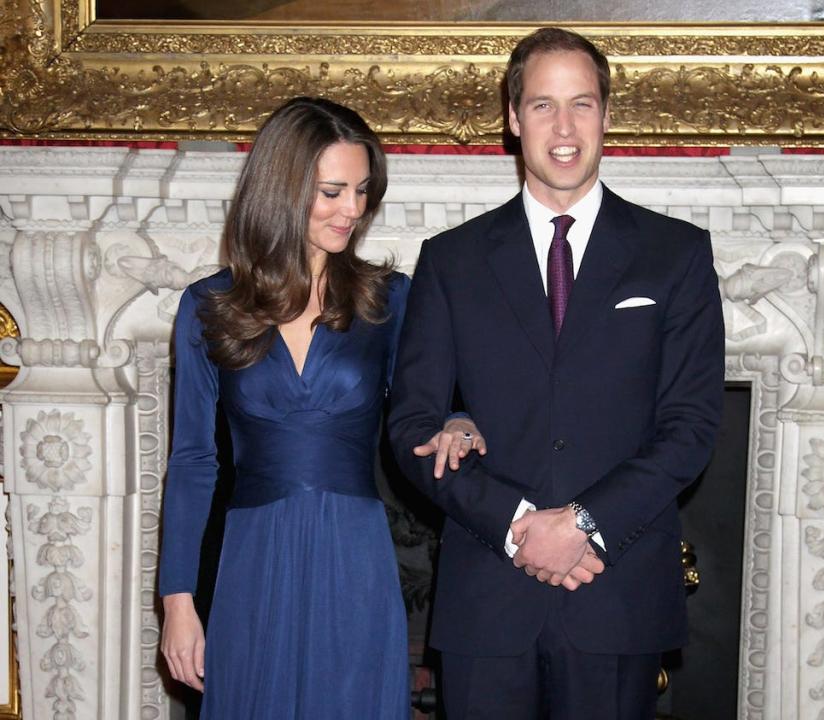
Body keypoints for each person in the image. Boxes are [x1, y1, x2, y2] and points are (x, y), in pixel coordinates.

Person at [388, 27, 725, 719]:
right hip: (487, 596)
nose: (564, 127)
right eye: (543, 105)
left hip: (618, 594)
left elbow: (690, 428)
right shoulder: (451, 260)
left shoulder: (676, 255)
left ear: (607, 114)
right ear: (514, 120)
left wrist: (583, 523)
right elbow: (412, 426)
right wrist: (517, 524)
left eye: (582, 104)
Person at [157, 96, 484, 719]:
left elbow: (435, 402)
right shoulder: (208, 306)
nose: (353, 210)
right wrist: (177, 602)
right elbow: (194, 461)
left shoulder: (387, 300)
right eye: (333, 192)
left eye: (362, 191)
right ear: (282, 188)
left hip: (355, 556)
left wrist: (459, 421)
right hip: (251, 556)